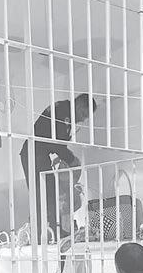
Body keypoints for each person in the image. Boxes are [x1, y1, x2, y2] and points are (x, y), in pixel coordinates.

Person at [20, 93, 97, 238]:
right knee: (41, 193)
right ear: (78, 105)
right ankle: (42, 232)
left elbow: (56, 144)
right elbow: (56, 144)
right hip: (33, 153)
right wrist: (71, 158)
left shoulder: (64, 111)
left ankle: (53, 229)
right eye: (83, 114)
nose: (83, 119)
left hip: (40, 153)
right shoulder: (62, 111)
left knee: (50, 191)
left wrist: (66, 158)